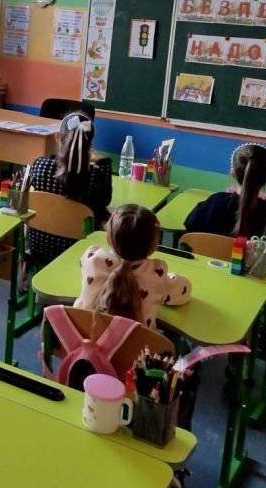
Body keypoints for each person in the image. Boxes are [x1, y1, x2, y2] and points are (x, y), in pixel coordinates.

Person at [184, 142, 266, 263]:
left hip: (210, 275)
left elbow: (189, 228)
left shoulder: (214, 203)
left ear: (233, 173)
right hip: (255, 280)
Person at [74, 204, 191, 327]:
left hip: (86, 335)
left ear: (108, 238)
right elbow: (183, 292)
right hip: (136, 340)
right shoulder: (157, 273)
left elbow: (82, 264)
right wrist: (169, 278)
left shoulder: (93, 258)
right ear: (154, 246)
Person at [26, 112, 112, 265]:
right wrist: (104, 163)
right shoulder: (94, 176)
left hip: (39, 249)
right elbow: (105, 201)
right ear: (90, 145)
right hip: (78, 254)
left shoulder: (40, 165)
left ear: (57, 137)